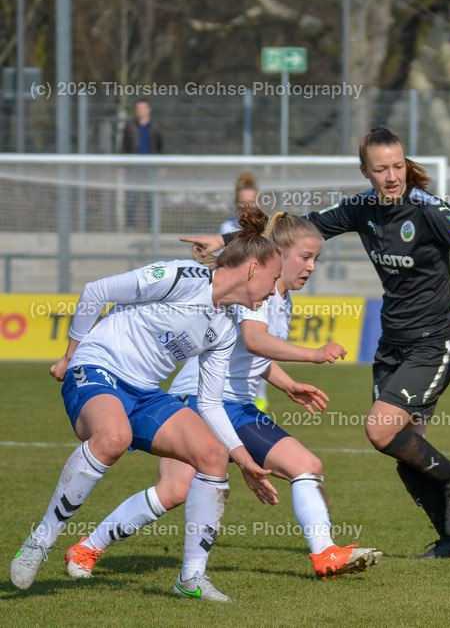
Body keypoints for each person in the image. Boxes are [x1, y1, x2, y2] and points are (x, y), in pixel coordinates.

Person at [183, 126, 450, 559]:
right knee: (407, 451)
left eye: (397, 166)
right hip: (392, 343)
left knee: (379, 429)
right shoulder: (361, 209)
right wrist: (224, 242)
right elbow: (291, 230)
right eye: (381, 169)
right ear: (365, 172)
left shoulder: (428, 210)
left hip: (434, 341)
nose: (392, 177)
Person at [64, 213, 382, 582]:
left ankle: (326, 553)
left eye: (316, 259)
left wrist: (286, 383)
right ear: (278, 254)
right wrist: (313, 353)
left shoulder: (280, 297)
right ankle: (87, 548)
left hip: (238, 407)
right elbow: (254, 340)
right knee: (174, 490)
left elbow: (250, 357)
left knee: (306, 465)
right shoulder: (258, 294)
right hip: (197, 399)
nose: (311, 267)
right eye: (305, 257)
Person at [11, 206, 281, 601]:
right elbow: (96, 292)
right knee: (113, 436)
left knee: (211, 455)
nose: (274, 291)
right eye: (273, 280)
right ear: (254, 269)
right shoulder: (180, 276)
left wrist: (243, 459)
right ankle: (41, 539)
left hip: (144, 392)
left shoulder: (226, 327)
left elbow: (208, 402)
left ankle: (191, 577)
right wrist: (71, 355)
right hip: (97, 367)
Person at [219, 172, 270, 412]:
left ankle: (260, 395)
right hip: (238, 294)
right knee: (238, 343)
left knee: (262, 342)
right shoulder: (227, 227)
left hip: (260, 292)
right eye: (242, 202)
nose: (247, 206)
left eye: (251, 202)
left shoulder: (267, 227)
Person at [121, 100, 164, 229]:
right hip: (133, 166)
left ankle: (150, 226)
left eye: (143, 108)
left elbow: (160, 145)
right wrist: (122, 164)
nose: (141, 111)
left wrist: (161, 165)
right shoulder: (130, 125)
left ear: (148, 110)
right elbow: (124, 145)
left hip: (150, 166)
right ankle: (130, 226)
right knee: (132, 197)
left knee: (150, 197)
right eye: (138, 108)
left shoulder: (155, 125)